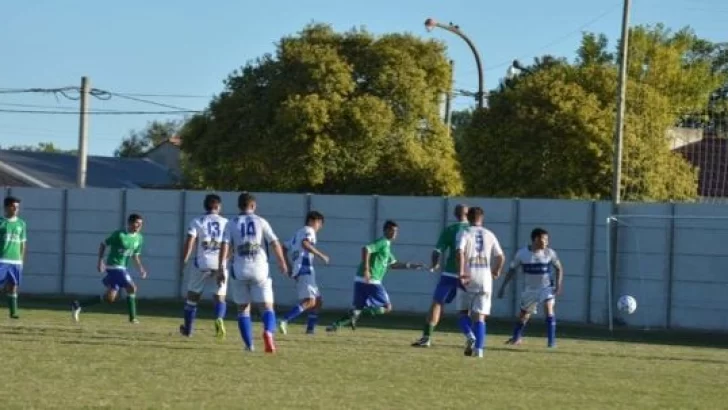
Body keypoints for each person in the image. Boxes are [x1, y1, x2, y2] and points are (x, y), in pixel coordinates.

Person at [218, 192, 288, 353]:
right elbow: (274, 242)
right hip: (260, 269)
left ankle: (249, 345)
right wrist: (282, 262)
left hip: (239, 270)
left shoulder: (231, 223)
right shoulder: (261, 221)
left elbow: (225, 246)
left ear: (239, 206)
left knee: (243, 309)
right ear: (253, 206)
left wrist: (221, 268)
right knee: (267, 307)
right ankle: (268, 333)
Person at [326, 220, 425, 332]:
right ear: (385, 230)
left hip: (360, 279)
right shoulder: (382, 242)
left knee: (357, 307)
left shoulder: (386, 247)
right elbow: (366, 249)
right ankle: (357, 313)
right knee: (387, 307)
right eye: (391, 231)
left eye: (396, 231)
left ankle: (335, 325)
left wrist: (411, 265)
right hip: (371, 280)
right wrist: (367, 269)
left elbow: (393, 264)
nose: (394, 233)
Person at [71, 214, 147, 323]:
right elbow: (103, 244)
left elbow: (135, 255)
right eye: (137, 223)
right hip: (114, 266)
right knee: (132, 288)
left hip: (123, 268)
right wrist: (100, 261)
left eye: (141, 224)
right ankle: (133, 318)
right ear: (130, 223)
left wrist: (141, 269)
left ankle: (78, 305)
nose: (139, 226)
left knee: (110, 297)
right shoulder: (119, 234)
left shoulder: (139, 238)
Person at [412, 204, 469, 347]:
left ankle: (427, 337)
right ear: (468, 214)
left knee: (437, 303)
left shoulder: (450, 230)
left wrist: (435, 264)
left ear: (455, 214)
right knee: (468, 309)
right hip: (470, 274)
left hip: (450, 273)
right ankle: (473, 338)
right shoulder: (477, 230)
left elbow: (437, 251)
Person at [498, 227, 563, 348]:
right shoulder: (522, 253)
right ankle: (516, 338)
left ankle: (551, 342)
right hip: (530, 290)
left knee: (548, 308)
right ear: (536, 239)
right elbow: (512, 270)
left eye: (547, 240)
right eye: (545, 239)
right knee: (524, 315)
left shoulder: (550, 253)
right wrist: (503, 287)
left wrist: (558, 285)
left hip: (546, 287)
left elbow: (559, 268)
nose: (547, 242)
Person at [455, 207, 505, 357]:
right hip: (485, 278)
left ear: (468, 218)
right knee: (480, 315)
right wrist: (496, 271)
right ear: (481, 218)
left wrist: (462, 271)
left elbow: (459, 252)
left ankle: (470, 336)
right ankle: (479, 350)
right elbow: (501, 257)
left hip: (468, 276)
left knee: (462, 313)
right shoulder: (489, 234)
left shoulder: (464, 232)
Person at [179, 194, 229, 338]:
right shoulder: (226, 222)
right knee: (220, 297)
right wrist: (225, 261)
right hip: (220, 264)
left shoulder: (197, 221)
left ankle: (188, 330)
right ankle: (219, 319)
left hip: (202, 263)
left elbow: (190, 242)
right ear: (218, 207)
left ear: (205, 206)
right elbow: (231, 245)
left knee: (192, 297)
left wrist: (184, 262)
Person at [278, 211, 329, 335]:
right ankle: (284, 320)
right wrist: (321, 255)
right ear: (312, 221)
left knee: (318, 301)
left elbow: (283, 247)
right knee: (310, 301)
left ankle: (310, 330)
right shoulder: (309, 230)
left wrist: (289, 266)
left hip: (300, 269)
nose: (320, 227)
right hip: (304, 268)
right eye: (319, 223)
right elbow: (305, 243)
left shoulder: (298, 232)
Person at [0, 196, 26, 319]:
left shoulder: (21, 224)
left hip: (15, 261)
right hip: (2, 259)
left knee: (13, 286)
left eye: (17, 207)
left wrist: (21, 260)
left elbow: (23, 243)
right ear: (6, 207)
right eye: (13, 206)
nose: (16, 209)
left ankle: (13, 312)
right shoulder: (1, 222)